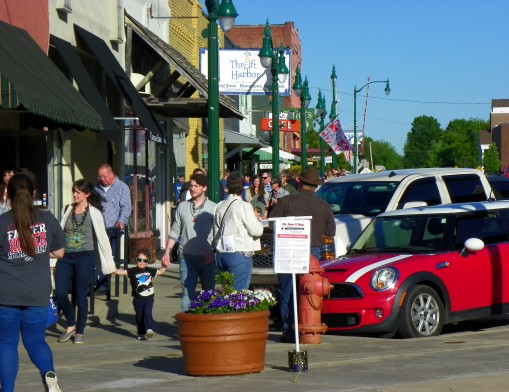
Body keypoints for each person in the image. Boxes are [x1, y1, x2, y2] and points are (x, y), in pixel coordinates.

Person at [0, 173, 65, 392]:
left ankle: (7, 389)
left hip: (6, 293)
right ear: (34, 194)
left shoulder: (2, 222)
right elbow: (60, 252)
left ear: (7, 195)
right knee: (36, 341)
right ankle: (49, 374)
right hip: (37, 292)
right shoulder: (47, 219)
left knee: (7, 344)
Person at [269, 166, 336, 343]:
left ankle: (288, 330)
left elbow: (271, 225)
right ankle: (309, 327)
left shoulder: (285, 202)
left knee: (287, 292)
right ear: (315, 186)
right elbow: (331, 232)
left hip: (288, 248)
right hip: (313, 251)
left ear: (299, 182)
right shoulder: (324, 206)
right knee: (310, 292)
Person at [55, 180, 116, 344]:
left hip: (85, 257)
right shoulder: (67, 209)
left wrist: (109, 263)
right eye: (74, 191)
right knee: (60, 292)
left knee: (81, 296)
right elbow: (60, 232)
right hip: (66, 257)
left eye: (78, 192)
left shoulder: (95, 213)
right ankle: (70, 323)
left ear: (87, 194)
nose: (75, 194)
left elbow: (103, 238)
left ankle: (79, 331)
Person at [161, 173, 216, 311]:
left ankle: (207, 326)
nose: (192, 189)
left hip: (206, 258)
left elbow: (218, 234)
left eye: (196, 186)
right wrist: (167, 252)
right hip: (186, 258)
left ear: (204, 187)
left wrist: (213, 251)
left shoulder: (214, 208)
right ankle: (186, 327)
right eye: (191, 186)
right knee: (187, 293)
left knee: (208, 293)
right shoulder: (182, 207)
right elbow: (175, 230)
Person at [213, 171, 264, 291]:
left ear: (228, 187)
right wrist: (258, 221)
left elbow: (215, 232)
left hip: (222, 254)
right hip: (239, 253)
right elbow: (257, 231)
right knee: (237, 296)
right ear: (242, 187)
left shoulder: (219, 205)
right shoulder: (244, 206)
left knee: (226, 293)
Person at [115, 247, 166, 340]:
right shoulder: (132, 271)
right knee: (139, 317)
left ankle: (150, 328)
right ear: (135, 260)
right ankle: (141, 333)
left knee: (147, 313)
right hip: (137, 299)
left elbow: (161, 272)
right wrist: (112, 268)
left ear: (148, 262)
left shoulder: (150, 270)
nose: (142, 262)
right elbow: (119, 272)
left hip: (149, 298)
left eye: (144, 260)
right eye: (139, 260)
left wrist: (165, 265)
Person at [95, 164, 132, 288]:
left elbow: (126, 207)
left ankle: (106, 284)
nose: (102, 179)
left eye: (104, 176)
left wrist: (121, 221)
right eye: (99, 177)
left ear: (111, 174)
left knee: (111, 258)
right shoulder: (97, 188)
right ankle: (100, 284)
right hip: (99, 229)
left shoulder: (122, 187)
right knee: (99, 257)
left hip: (114, 229)